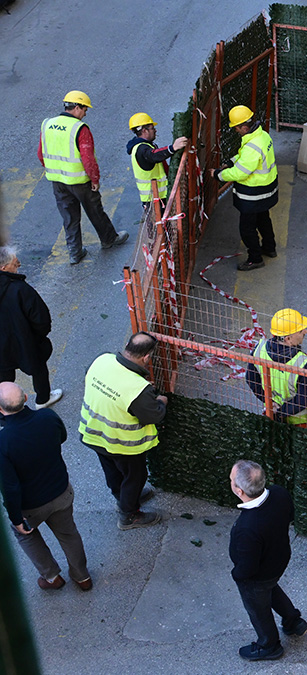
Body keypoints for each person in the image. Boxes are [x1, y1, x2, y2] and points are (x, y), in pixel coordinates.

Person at [0, 383, 90, 592]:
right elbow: (62, 438)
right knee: (68, 533)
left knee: (26, 534)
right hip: (60, 491)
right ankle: (82, 577)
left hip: (30, 505)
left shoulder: (3, 442)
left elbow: (10, 487)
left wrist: (16, 518)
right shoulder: (48, 418)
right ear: (25, 397)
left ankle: (51, 577)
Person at [78, 332, 166, 530]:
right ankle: (129, 515)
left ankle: (124, 497)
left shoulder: (101, 360)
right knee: (136, 476)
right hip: (122, 444)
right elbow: (153, 416)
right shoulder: (138, 388)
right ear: (146, 357)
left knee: (112, 470)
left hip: (93, 433)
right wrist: (161, 401)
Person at [229, 459, 307, 661]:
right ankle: (293, 621)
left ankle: (269, 644)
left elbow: (248, 567)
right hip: (279, 559)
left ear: (239, 491)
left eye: (231, 479)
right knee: (270, 588)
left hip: (257, 575)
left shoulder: (247, 527)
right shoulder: (279, 493)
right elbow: (290, 515)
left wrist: (237, 575)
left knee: (258, 609)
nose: (230, 481)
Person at [37, 90, 129, 265]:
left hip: (57, 181)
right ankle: (109, 239)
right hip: (80, 182)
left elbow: (41, 154)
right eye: (85, 109)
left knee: (69, 217)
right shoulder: (79, 128)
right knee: (95, 211)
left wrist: (56, 170)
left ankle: (75, 253)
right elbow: (87, 158)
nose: (86, 113)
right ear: (77, 107)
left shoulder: (47, 124)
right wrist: (94, 179)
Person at [213, 105, 278, 272]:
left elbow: (240, 173)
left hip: (253, 193)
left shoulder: (251, 146)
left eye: (236, 127)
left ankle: (255, 258)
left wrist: (218, 174)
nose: (235, 131)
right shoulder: (261, 135)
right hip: (267, 189)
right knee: (263, 219)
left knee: (247, 228)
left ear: (244, 126)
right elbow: (245, 157)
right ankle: (269, 248)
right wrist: (231, 161)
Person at [0, 247, 62, 409]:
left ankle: (4, 409)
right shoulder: (20, 289)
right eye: (15, 263)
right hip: (25, 342)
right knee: (38, 367)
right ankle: (43, 399)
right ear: (3, 268)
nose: (18, 265)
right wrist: (37, 337)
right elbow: (41, 319)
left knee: (3, 379)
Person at [246, 309, 307, 429]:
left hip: (273, 413)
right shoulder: (303, 364)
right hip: (301, 422)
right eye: (300, 330)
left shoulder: (259, 349)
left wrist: (270, 404)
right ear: (287, 339)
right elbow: (304, 399)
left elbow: (251, 379)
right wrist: (281, 412)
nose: (305, 331)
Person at [126, 112, 187, 216]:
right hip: (155, 199)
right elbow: (153, 156)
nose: (155, 130)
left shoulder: (143, 145)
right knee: (160, 228)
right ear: (144, 130)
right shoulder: (141, 149)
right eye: (152, 128)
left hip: (157, 197)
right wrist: (172, 148)